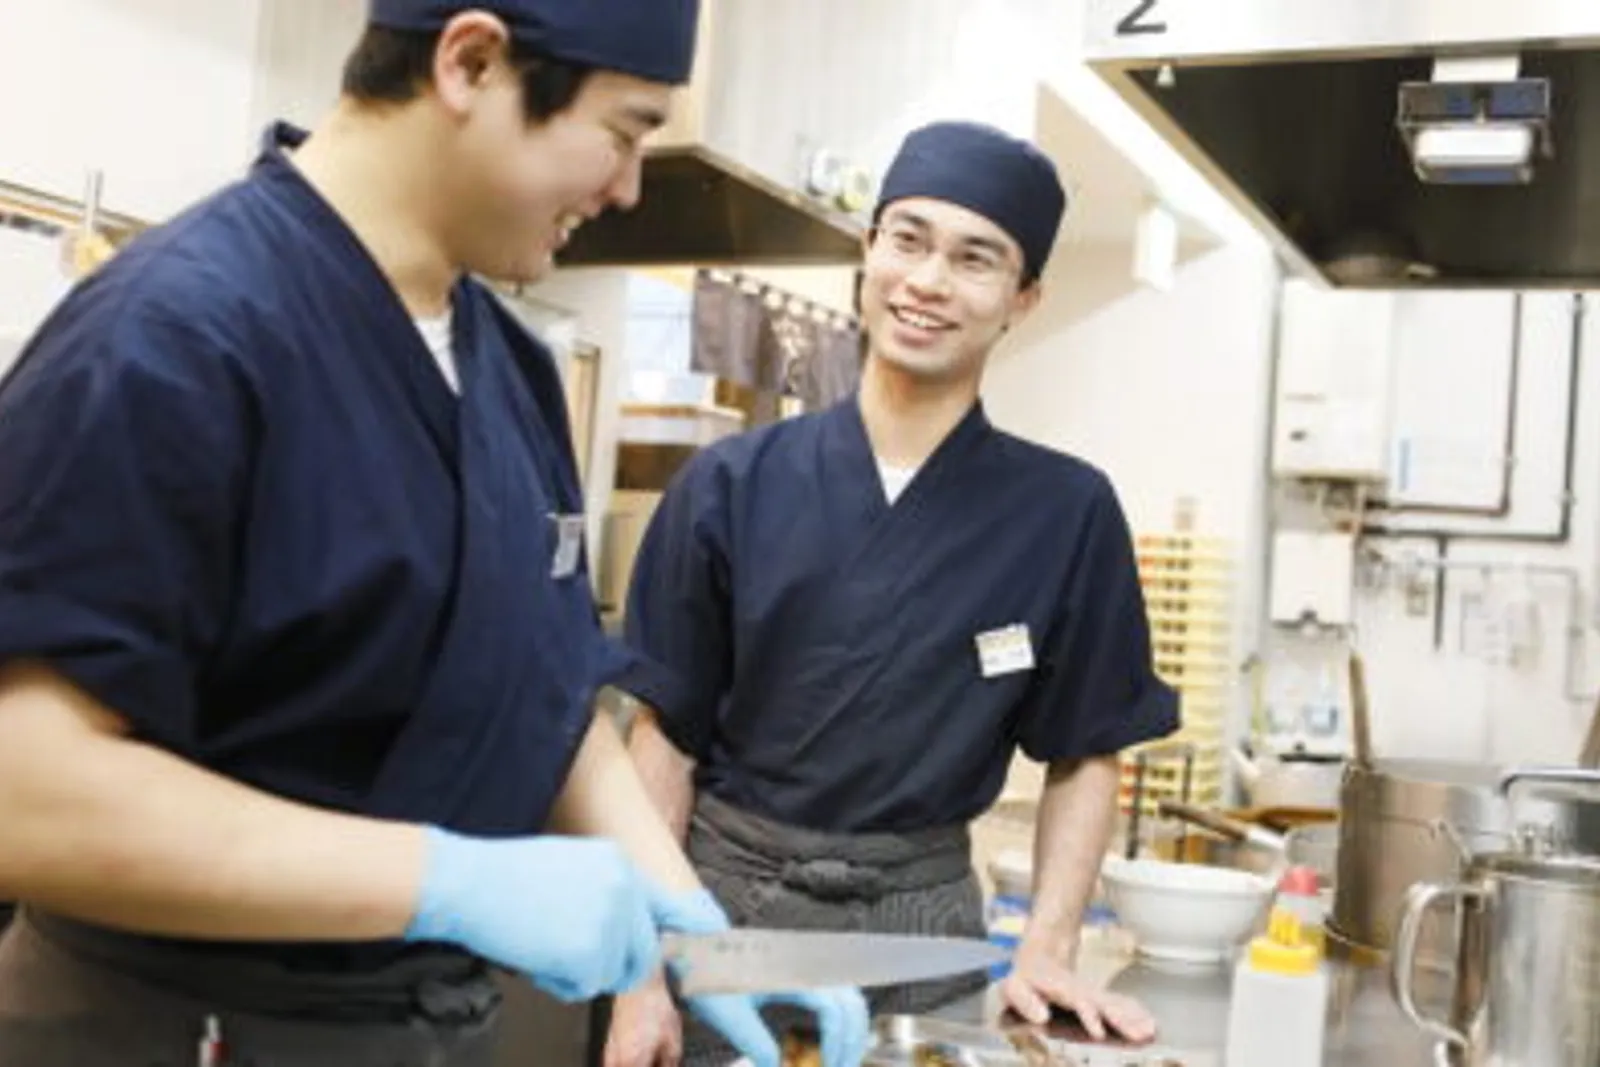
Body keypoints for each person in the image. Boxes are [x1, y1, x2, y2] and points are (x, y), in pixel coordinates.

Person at [0, 3, 870, 1066]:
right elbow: (23, 790)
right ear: (471, 61)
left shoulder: (509, 370)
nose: (629, 188)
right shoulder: (178, 336)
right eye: (627, 132)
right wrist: (450, 880)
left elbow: (547, 700)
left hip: (423, 1028)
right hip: (177, 1026)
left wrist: (689, 921)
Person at [604, 120, 1183, 1067]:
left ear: (1022, 298)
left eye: (975, 258)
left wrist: (1049, 943)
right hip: (724, 915)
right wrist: (636, 978)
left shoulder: (1065, 511)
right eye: (907, 239)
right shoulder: (729, 486)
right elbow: (659, 746)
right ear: (867, 251)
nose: (928, 281)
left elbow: (1087, 751)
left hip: (927, 933)